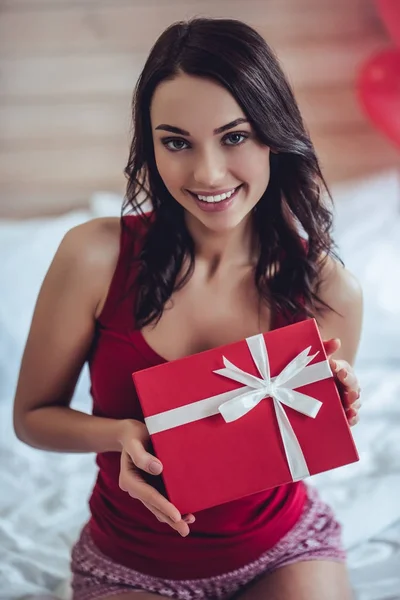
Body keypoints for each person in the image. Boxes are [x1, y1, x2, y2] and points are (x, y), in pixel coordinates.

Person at [13, 17, 363, 600]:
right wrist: (121, 433)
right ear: (150, 147)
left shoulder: (330, 290)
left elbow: (286, 452)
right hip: (133, 564)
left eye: (235, 136)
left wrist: (334, 407)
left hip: (283, 548)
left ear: (274, 134)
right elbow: (32, 417)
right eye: (177, 142)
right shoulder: (95, 257)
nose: (207, 173)